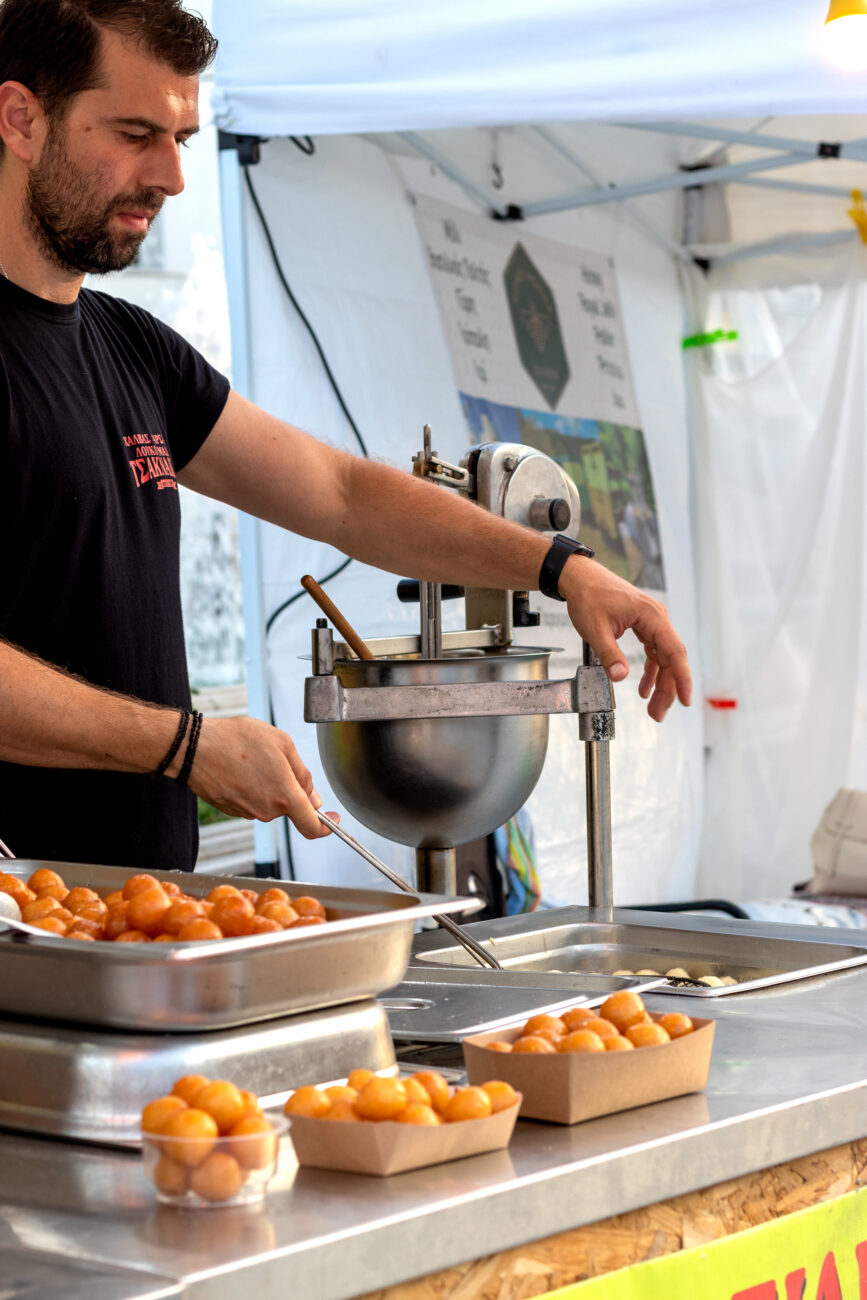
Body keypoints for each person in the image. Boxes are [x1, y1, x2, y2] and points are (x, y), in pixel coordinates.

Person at [0, 0, 692, 873]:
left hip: (140, 911)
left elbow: (340, 495)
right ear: (21, 119)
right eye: (136, 134)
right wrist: (184, 746)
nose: (171, 177)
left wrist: (562, 568)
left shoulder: (132, 346)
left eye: (181, 139)